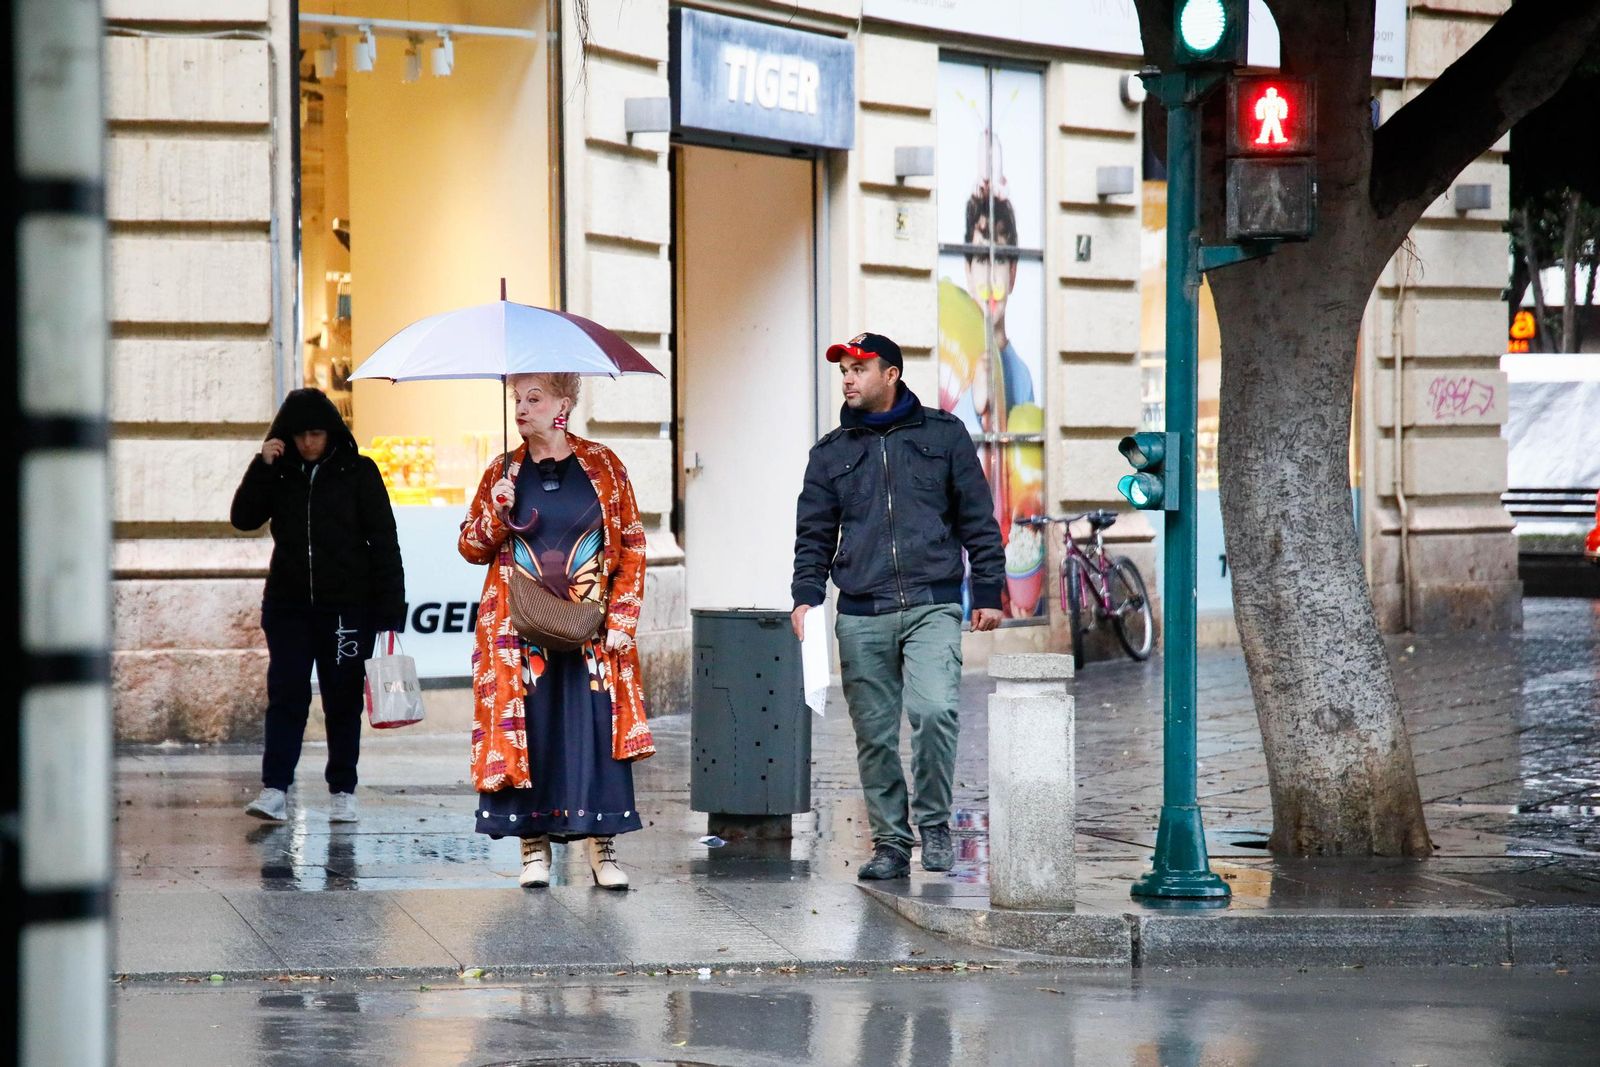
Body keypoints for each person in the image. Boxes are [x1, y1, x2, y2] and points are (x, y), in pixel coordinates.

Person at [791, 333, 1006, 880]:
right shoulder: (831, 452)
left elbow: (977, 517)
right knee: (876, 734)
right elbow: (813, 533)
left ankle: (934, 822)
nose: (847, 378)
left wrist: (987, 590)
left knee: (935, 711)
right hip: (862, 610)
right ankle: (890, 842)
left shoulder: (944, 434)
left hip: (933, 601)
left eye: (859, 368)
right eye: (843, 369)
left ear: (891, 374)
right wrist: (805, 598)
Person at [457, 373, 654, 890]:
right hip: (519, 631)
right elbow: (471, 547)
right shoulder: (501, 472)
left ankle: (602, 849)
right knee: (531, 732)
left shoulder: (604, 466)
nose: (521, 408)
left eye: (534, 398)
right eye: (517, 399)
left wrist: (623, 619)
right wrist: (496, 514)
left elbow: (632, 543)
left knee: (594, 732)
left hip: (592, 630)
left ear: (563, 404)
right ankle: (533, 851)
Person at [230, 388, 406, 824]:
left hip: (347, 609)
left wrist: (389, 612)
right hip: (288, 607)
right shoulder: (280, 473)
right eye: (300, 435)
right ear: (285, 437)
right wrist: (262, 466)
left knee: (342, 700)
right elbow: (243, 517)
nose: (309, 443)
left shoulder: (359, 472)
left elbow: (384, 541)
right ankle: (275, 789)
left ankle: (343, 789)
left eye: (316, 433)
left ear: (331, 433)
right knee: (286, 695)